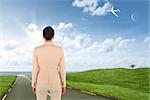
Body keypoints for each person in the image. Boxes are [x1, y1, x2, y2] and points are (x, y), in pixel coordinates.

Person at [31, 26, 66, 100]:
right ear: (53, 36)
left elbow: (35, 68)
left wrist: (33, 83)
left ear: (43, 36)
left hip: (41, 82)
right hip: (56, 82)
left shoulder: (37, 50)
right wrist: (63, 84)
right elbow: (62, 68)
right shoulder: (60, 50)